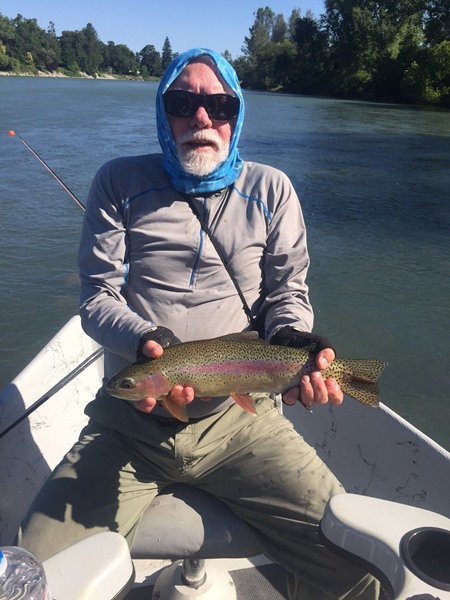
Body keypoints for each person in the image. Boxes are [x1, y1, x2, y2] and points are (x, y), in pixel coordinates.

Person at [20, 48, 379, 599]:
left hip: (244, 422)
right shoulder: (117, 181)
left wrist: (290, 338)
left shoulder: (273, 190)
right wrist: (146, 340)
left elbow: (288, 293)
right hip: (129, 426)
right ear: (164, 113)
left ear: (237, 114)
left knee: (359, 562)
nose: (202, 118)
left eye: (219, 104)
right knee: (32, 577)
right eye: (183, 102)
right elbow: (97, 297)